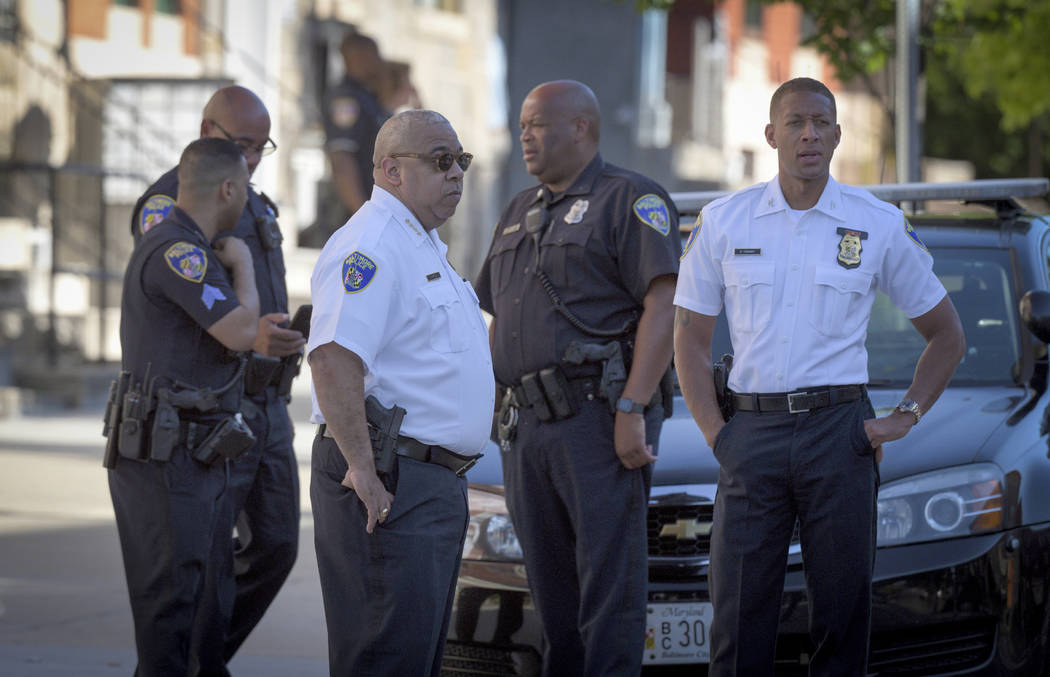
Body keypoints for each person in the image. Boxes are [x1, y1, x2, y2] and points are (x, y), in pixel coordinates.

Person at [673, 77, 967, 676]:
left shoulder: (876, 223)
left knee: (841, 616)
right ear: (771, 134)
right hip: (749, 435)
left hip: (840, 435)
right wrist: (716, 435)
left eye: (821, 123)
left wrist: (903, 418)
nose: (809, 133)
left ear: (837, 134)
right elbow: (689, 337)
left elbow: (947, 336)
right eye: (796, 122)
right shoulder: (726, 221)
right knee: (736, 620)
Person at [474, 80, 680, 676]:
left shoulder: (631, 198)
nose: (525, 138)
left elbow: (662, 308)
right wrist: (489, 408)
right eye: (521, 127)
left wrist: (633, 407)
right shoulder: (518, 210)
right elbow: (501, 317)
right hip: (526, 429)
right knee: (551, 596)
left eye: (537, 125)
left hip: (595, 419)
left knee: (608, 592)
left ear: (581, 128)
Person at [307, 109, 493, 676]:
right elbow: (334, 358)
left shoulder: (422, 243)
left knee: (413, 657)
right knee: (385, 657)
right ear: (391, 169)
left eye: (460, 161)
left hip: (428, 483)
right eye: (440, 161)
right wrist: (363, 470)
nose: (456, 174)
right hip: (388, 480)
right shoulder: (371, 244)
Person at [129, 86, 304, 668]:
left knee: (277, 546)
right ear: (208, 131)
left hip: (267, 400)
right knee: (196, 571)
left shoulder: (253, 203)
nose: (252, 159)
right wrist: (249, 329)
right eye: (242, 146)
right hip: (210, 408)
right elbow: (206, 309)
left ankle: (198, 660)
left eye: (262, 148)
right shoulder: (173, 205)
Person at [107, 137, 259, 676]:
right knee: (170, 621)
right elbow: (242, 331)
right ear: (228, 189)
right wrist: (244, 265)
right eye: (244, 187)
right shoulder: (178, 250)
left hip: (190, 455)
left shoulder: (182, 244)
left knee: (200, 615)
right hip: (164, 458)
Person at [324, 33, 391, 221]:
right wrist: (362, 215)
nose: (379, 62)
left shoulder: (368, 97)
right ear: (357, 58)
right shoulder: (346, 100)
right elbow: (342, 159)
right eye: (374, 55)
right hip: (355, 212)